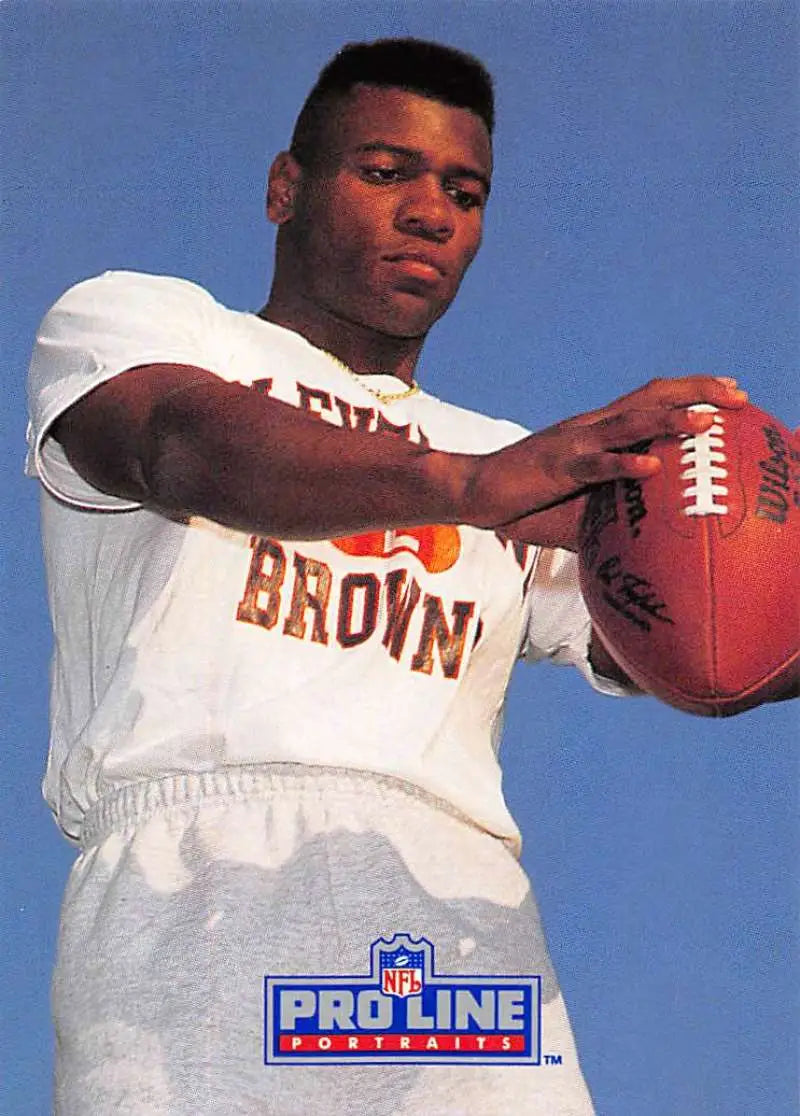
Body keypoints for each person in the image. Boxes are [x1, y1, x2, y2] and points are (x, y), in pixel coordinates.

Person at [27, 38, 751, 1116]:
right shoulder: (146, 327)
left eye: (464, 191)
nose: (431, 212)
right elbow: (181, 448)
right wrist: (468, 486)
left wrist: (750, 573)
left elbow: (703, 641)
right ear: (286, 187)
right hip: (200, 878)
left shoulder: (506, 463)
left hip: (451, 903)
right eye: (384, 172)